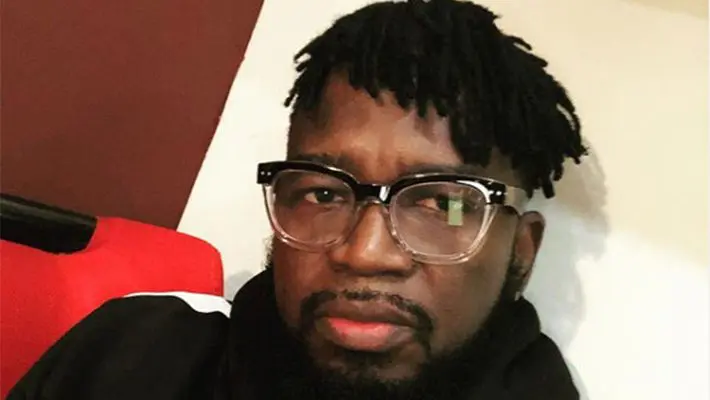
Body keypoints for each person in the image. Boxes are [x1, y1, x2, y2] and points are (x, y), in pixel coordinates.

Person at [9, 0, 587, 399]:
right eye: (324, 192)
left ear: (521, 251)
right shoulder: (132, 357)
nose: (364, 253)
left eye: (442, 204)